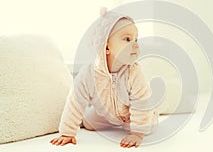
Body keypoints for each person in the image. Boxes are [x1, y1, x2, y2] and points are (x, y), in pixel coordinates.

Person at [50, 8, 158, 148]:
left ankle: (151, 116)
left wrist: (137, 134)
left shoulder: (134, 72)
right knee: (88, 123)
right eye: (127, 39)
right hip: (107, 115)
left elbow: (141, 102)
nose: (135, 44)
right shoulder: (88, 75)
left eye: (136, 39)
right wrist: (67, 132)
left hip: (132, 114)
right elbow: (75, 101)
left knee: (147, 126)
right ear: (106, 46)